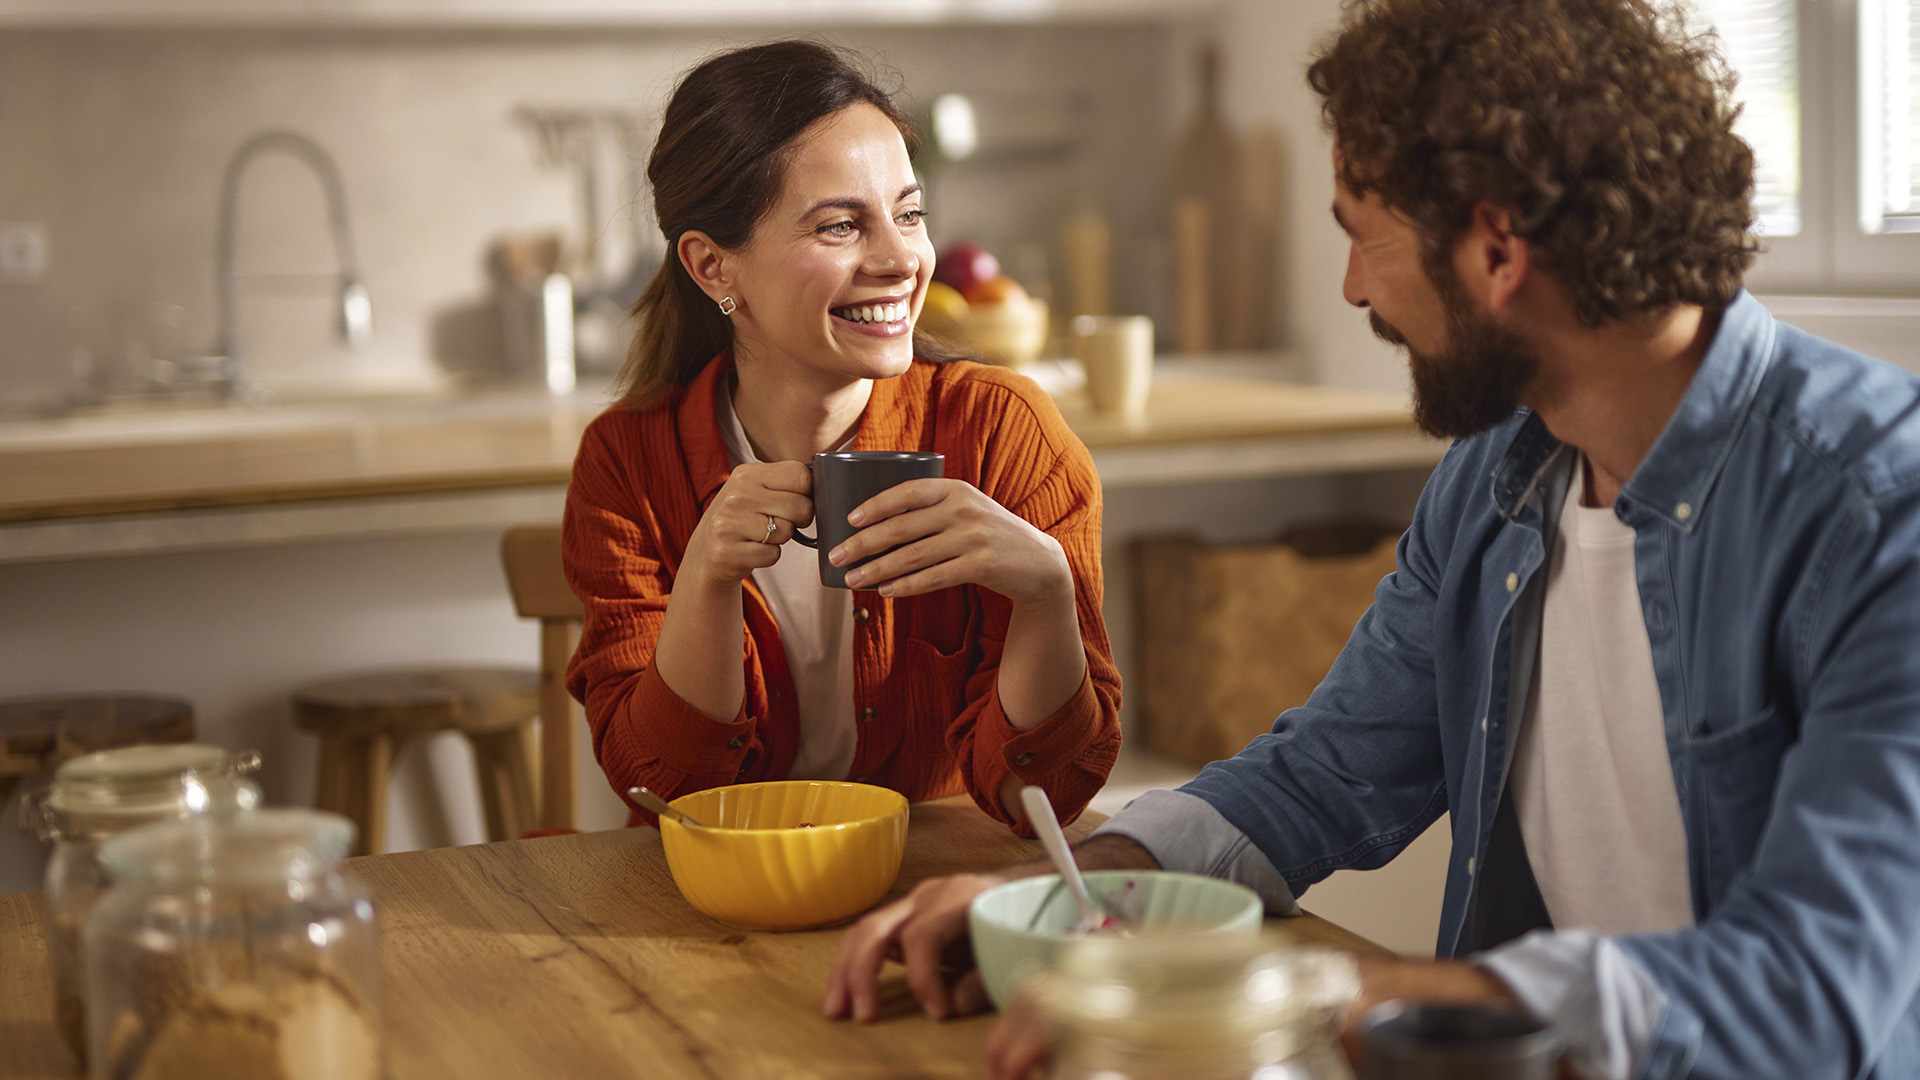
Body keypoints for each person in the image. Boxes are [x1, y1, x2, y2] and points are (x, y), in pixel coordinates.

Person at [825, 1, 1920, 1076]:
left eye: (1363, 236)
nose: (1353, 288)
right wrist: (1065, 899)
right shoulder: (1496, 476)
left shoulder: (1881, 513)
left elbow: (1813, 991)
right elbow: (1324, 777)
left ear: (1496, 248)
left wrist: (1301, 995)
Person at [561, 42, 1122, 836]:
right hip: (715, 903)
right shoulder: (626, 463)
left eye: (909, 213)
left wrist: (1046, 594)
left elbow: (1047, 799)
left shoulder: (1004, 432)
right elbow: (663, 791)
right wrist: (706, 581)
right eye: (840, 226)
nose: (902, 261)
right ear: (713, 267)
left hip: (928, 890)